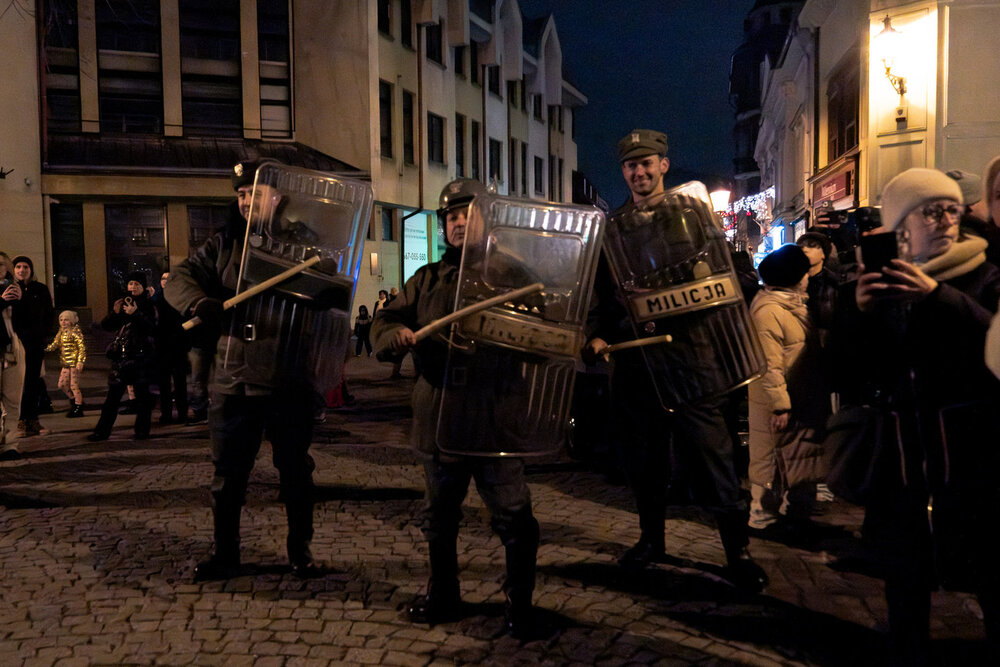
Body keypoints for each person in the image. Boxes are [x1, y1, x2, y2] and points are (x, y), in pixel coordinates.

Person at [584, 129, 767, 592]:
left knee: (715, 457)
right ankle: (652, 540)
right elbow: (599, 294)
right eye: (631, 165)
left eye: (647, 163)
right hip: (638, 363)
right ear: (624, 172)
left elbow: (734, 275)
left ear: (664, 165)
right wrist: (596, 334)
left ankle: (738, 552)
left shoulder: (694, 216)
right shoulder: (612, 230)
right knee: (644, 461)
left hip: (693, 361)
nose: (639, 172)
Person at [372, 178, 540, 638]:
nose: (459, 222)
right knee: (439, 515)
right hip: (440, 414)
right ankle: (443, 595)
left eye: (468, 214)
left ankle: (520, 603)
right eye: (451, 217)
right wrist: (392, 336)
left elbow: (544, 332)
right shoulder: (426, 279)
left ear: (486, 218)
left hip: (494, 415)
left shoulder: (514, 277)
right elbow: (386, 319)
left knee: (513, 514)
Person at [844, 167, 1000, 664]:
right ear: (900, 227)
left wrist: (937, 296)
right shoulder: (884, 280)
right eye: (931, 211)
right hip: (902, 455)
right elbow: (850, 371)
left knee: (987, 568)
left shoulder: (987, 273)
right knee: (904, 574)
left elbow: (993, 340)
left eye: (953, 209)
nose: (947, 220)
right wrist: (859, 314)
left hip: (971, 452)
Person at [165, 158, 325, 581]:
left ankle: (300, 551)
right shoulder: (224, 244)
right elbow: (179, 278)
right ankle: (226, 553)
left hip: (286, 377)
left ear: (277, 197)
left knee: (295, 470)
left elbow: (328, 291)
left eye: (255, 192)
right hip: (232, 377)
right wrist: (198, 302)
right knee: (228, 475)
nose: (247, 201)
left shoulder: (302, 244)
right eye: (241, 194)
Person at [747, 244, 828, 529]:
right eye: (804, 273)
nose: (808, 278)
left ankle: (796, 514)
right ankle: (762, 517)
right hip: (776, 401)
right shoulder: (769, 311)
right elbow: (770, 364)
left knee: (797, 459)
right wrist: (780, 405)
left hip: (799, 396)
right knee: (770, 460)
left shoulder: (794, 305)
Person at [88, 271, 156, 441]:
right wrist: (115, 313)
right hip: (122, 357)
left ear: (143, 286)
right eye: (130, 283)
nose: (133, 287)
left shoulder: (149, 305)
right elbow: (107, 326)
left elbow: (151, 328)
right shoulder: (123, 302)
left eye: (136, 284)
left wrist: (136, 313)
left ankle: (142, 431)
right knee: (112, 397)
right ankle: (102, 432)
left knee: (142, 397)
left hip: (141, 357)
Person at [8, 256, 54, 438]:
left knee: (33, 382)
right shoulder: (10, 288)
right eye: (18, 267)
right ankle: (19, 421)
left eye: (25, 266)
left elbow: (47, 314)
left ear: (31, 269)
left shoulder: (40, 289)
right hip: (15, 343)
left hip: (34, 343)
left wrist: (43, 334)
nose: (22, 270)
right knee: (17, 383)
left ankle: (32, 420)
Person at [152, 271, 190, 424]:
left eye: (168, 278)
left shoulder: (180, 297)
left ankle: (182, 413)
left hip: (178, 346)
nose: (165, 281)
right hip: (162, 346)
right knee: (164, 384)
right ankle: (166, 414)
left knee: (180, 382)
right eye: (163, 278)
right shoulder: (156, 298)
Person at [1, 252, 24, 459]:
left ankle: (10, 444)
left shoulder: (16, 288)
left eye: (2, 264)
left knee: (13, 398)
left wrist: (21, 301)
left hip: (13, 347)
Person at [45, 310, 86, 417]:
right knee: (62, 384)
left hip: (74, 363)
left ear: (71, 321)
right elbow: (55, 344)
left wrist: (80, 361)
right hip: (65, 363)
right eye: (61, 320)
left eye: (66, 320)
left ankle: (78, 407)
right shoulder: (61, 333)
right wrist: (44, 348)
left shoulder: (75, 332)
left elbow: (82, 348)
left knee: (73, 385)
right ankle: (75, 400)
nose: (63, 322)